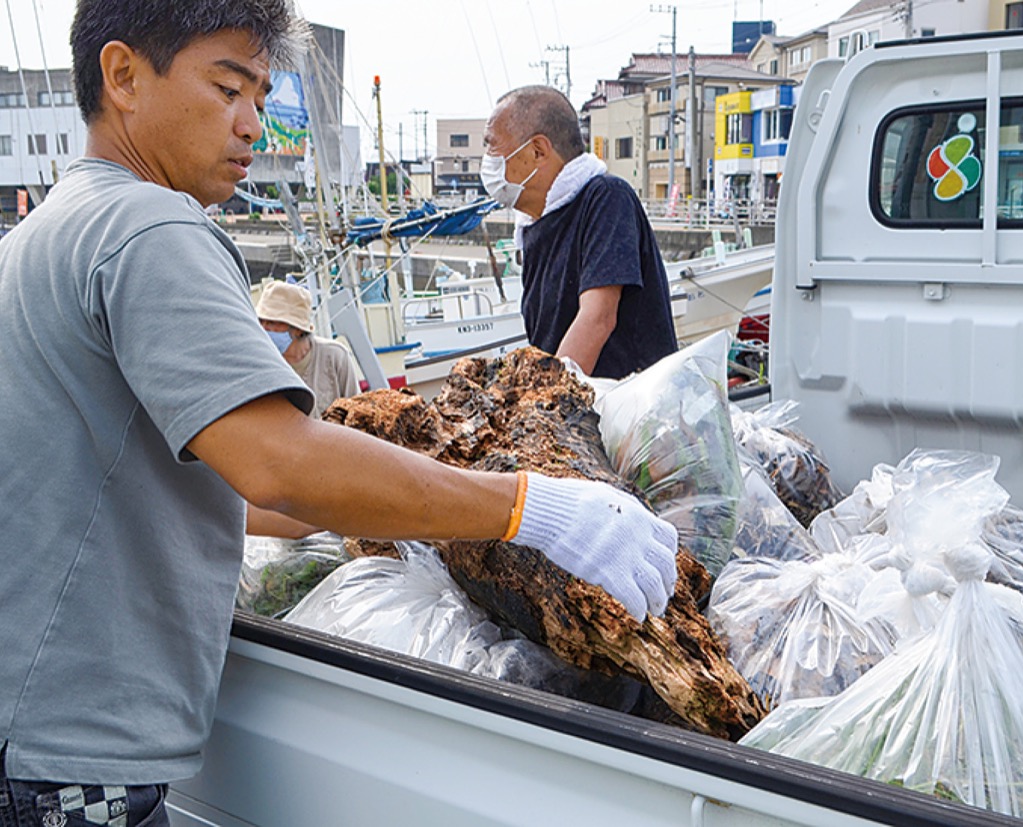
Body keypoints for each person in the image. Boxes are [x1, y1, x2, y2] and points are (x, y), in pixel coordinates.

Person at [0, 3, 677, 824]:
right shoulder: (147, 225)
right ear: (123, 76)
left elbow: (183, 483)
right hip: (75, 754)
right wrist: (530, 506)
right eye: (228, 88)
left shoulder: (42, 233)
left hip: (29, 728)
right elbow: (281, 462)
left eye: (261, 94)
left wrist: (381, 515)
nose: (254, 125)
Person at [482, 85, 678, 380]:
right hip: (579, 414)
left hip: (628, 409)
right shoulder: (535, 224)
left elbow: (598, 317)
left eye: (492, 145)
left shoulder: (607, 198)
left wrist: (545, 405)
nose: (487, 158)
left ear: (537, 151)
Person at [256, 279, 359, 417]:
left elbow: (356, 413)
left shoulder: (336, 357)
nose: (264, 328)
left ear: (298, 329)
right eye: (260, 321)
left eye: (272, 323)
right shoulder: (260, 365)